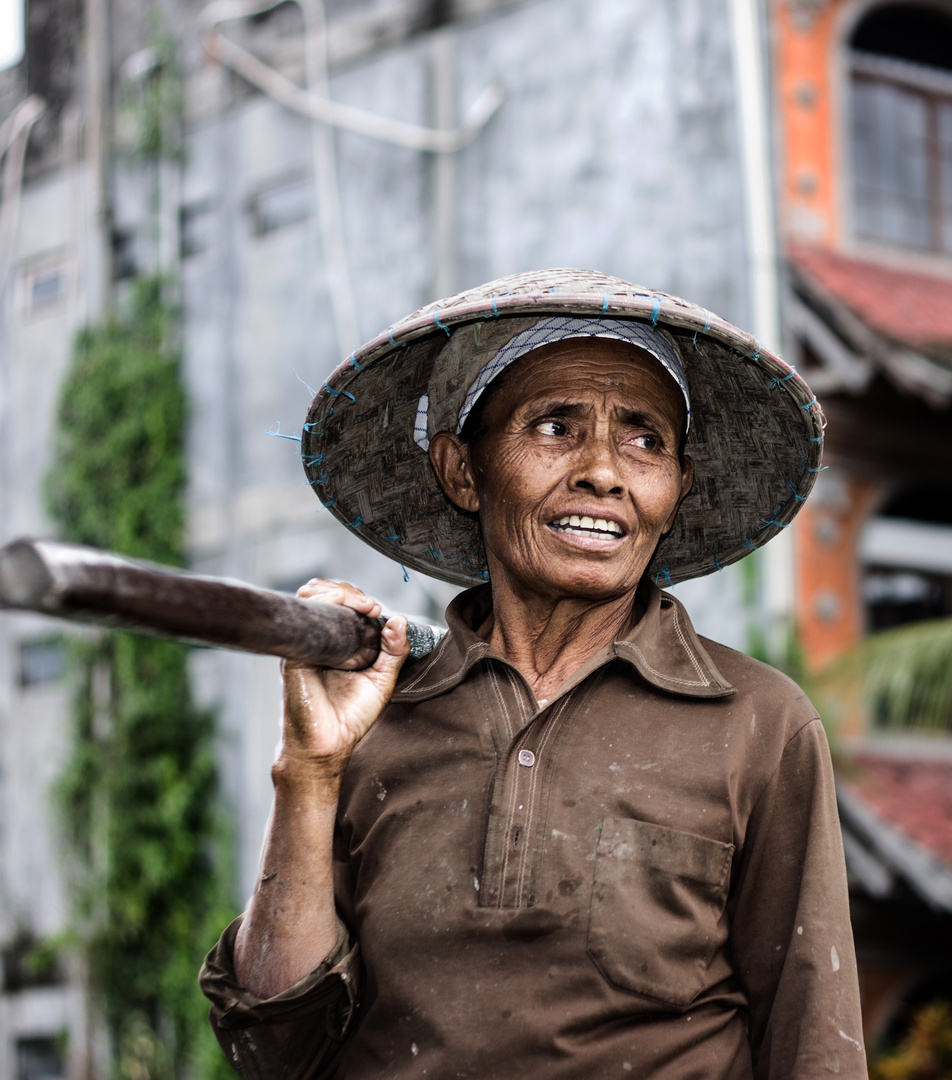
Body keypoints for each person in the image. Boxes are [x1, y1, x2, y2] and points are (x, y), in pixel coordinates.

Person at [199, 270, 864, 1079]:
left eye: (646, 439)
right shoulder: (374, 714)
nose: (604, 473)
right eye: (555, 427)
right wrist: (309, 772)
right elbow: (272, 1048)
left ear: (677, 488)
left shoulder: (757, 722)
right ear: (462, 471)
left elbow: (814, 1043)